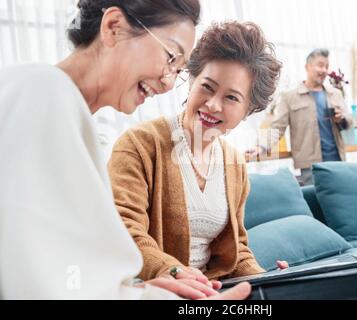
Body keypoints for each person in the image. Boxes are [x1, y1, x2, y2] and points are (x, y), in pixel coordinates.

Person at [0, 0, 250, 300]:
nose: (169, 81)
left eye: (179, 69)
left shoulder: (70, 115)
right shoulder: (39, 92)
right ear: (113, 27)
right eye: (170, 56)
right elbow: (39, 285)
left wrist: (144, 291)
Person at [108, 21, 287, 285]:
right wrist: (174, 271)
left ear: (248, 110)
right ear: (192, 80)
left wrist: (270, 282)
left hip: (210, 291)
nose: (213, 105)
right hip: (153, 288)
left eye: (232, 98)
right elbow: (124, 230)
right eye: (207, 87)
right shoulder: (139, 144)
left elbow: (235, 250)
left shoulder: (234, 164)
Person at [249, 48, 352, 186]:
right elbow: (277, 127)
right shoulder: (290, 97)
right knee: (314, 203)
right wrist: (261, 146)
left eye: (327, 66)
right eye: (320, 65)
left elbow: (349, 122)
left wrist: (342, 119)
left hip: (338, 161)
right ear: (307, 67)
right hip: (310, 166)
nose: (324, 70)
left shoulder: (335, 93)